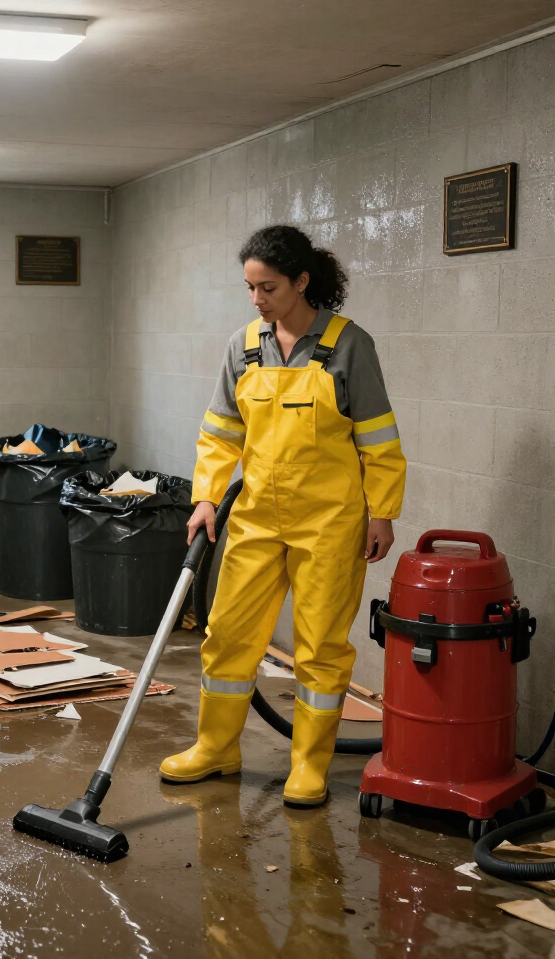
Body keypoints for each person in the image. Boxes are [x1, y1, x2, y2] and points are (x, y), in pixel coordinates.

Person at [160, 224, 406, 807]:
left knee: (319, 645)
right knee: (228, 635)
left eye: (267, 287)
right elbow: (220, 433)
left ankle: (308, 766)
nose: (256, 300)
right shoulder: (243, 346)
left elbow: (378, 439)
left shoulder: (350, 345)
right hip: (255, 518)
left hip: (330, 520)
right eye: (249, 288)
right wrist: (205, 497)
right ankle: (216, 748)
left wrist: (384, 512)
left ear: (302, 280)